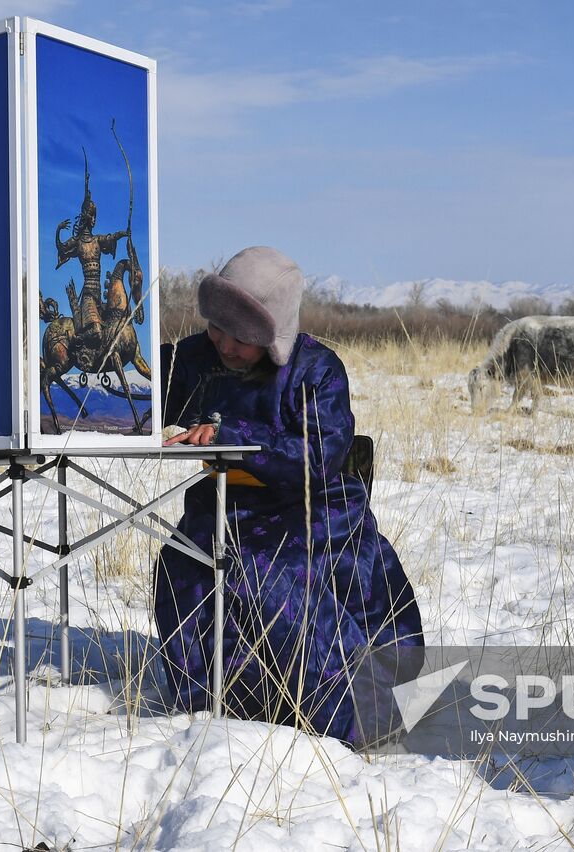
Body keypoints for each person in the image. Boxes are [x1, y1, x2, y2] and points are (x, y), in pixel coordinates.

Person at [155, 245, 424, 746]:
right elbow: (137, 386)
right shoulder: (194, 359)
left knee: (272, 578)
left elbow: (320, 458)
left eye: (242, 338)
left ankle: (352, 717)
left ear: (273, 335)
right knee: (181, 564)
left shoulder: (317, 371)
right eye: (217, 328)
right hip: (225, 509)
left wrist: (227, 433)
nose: (225, 345)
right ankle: (220, 702)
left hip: (312, 514)